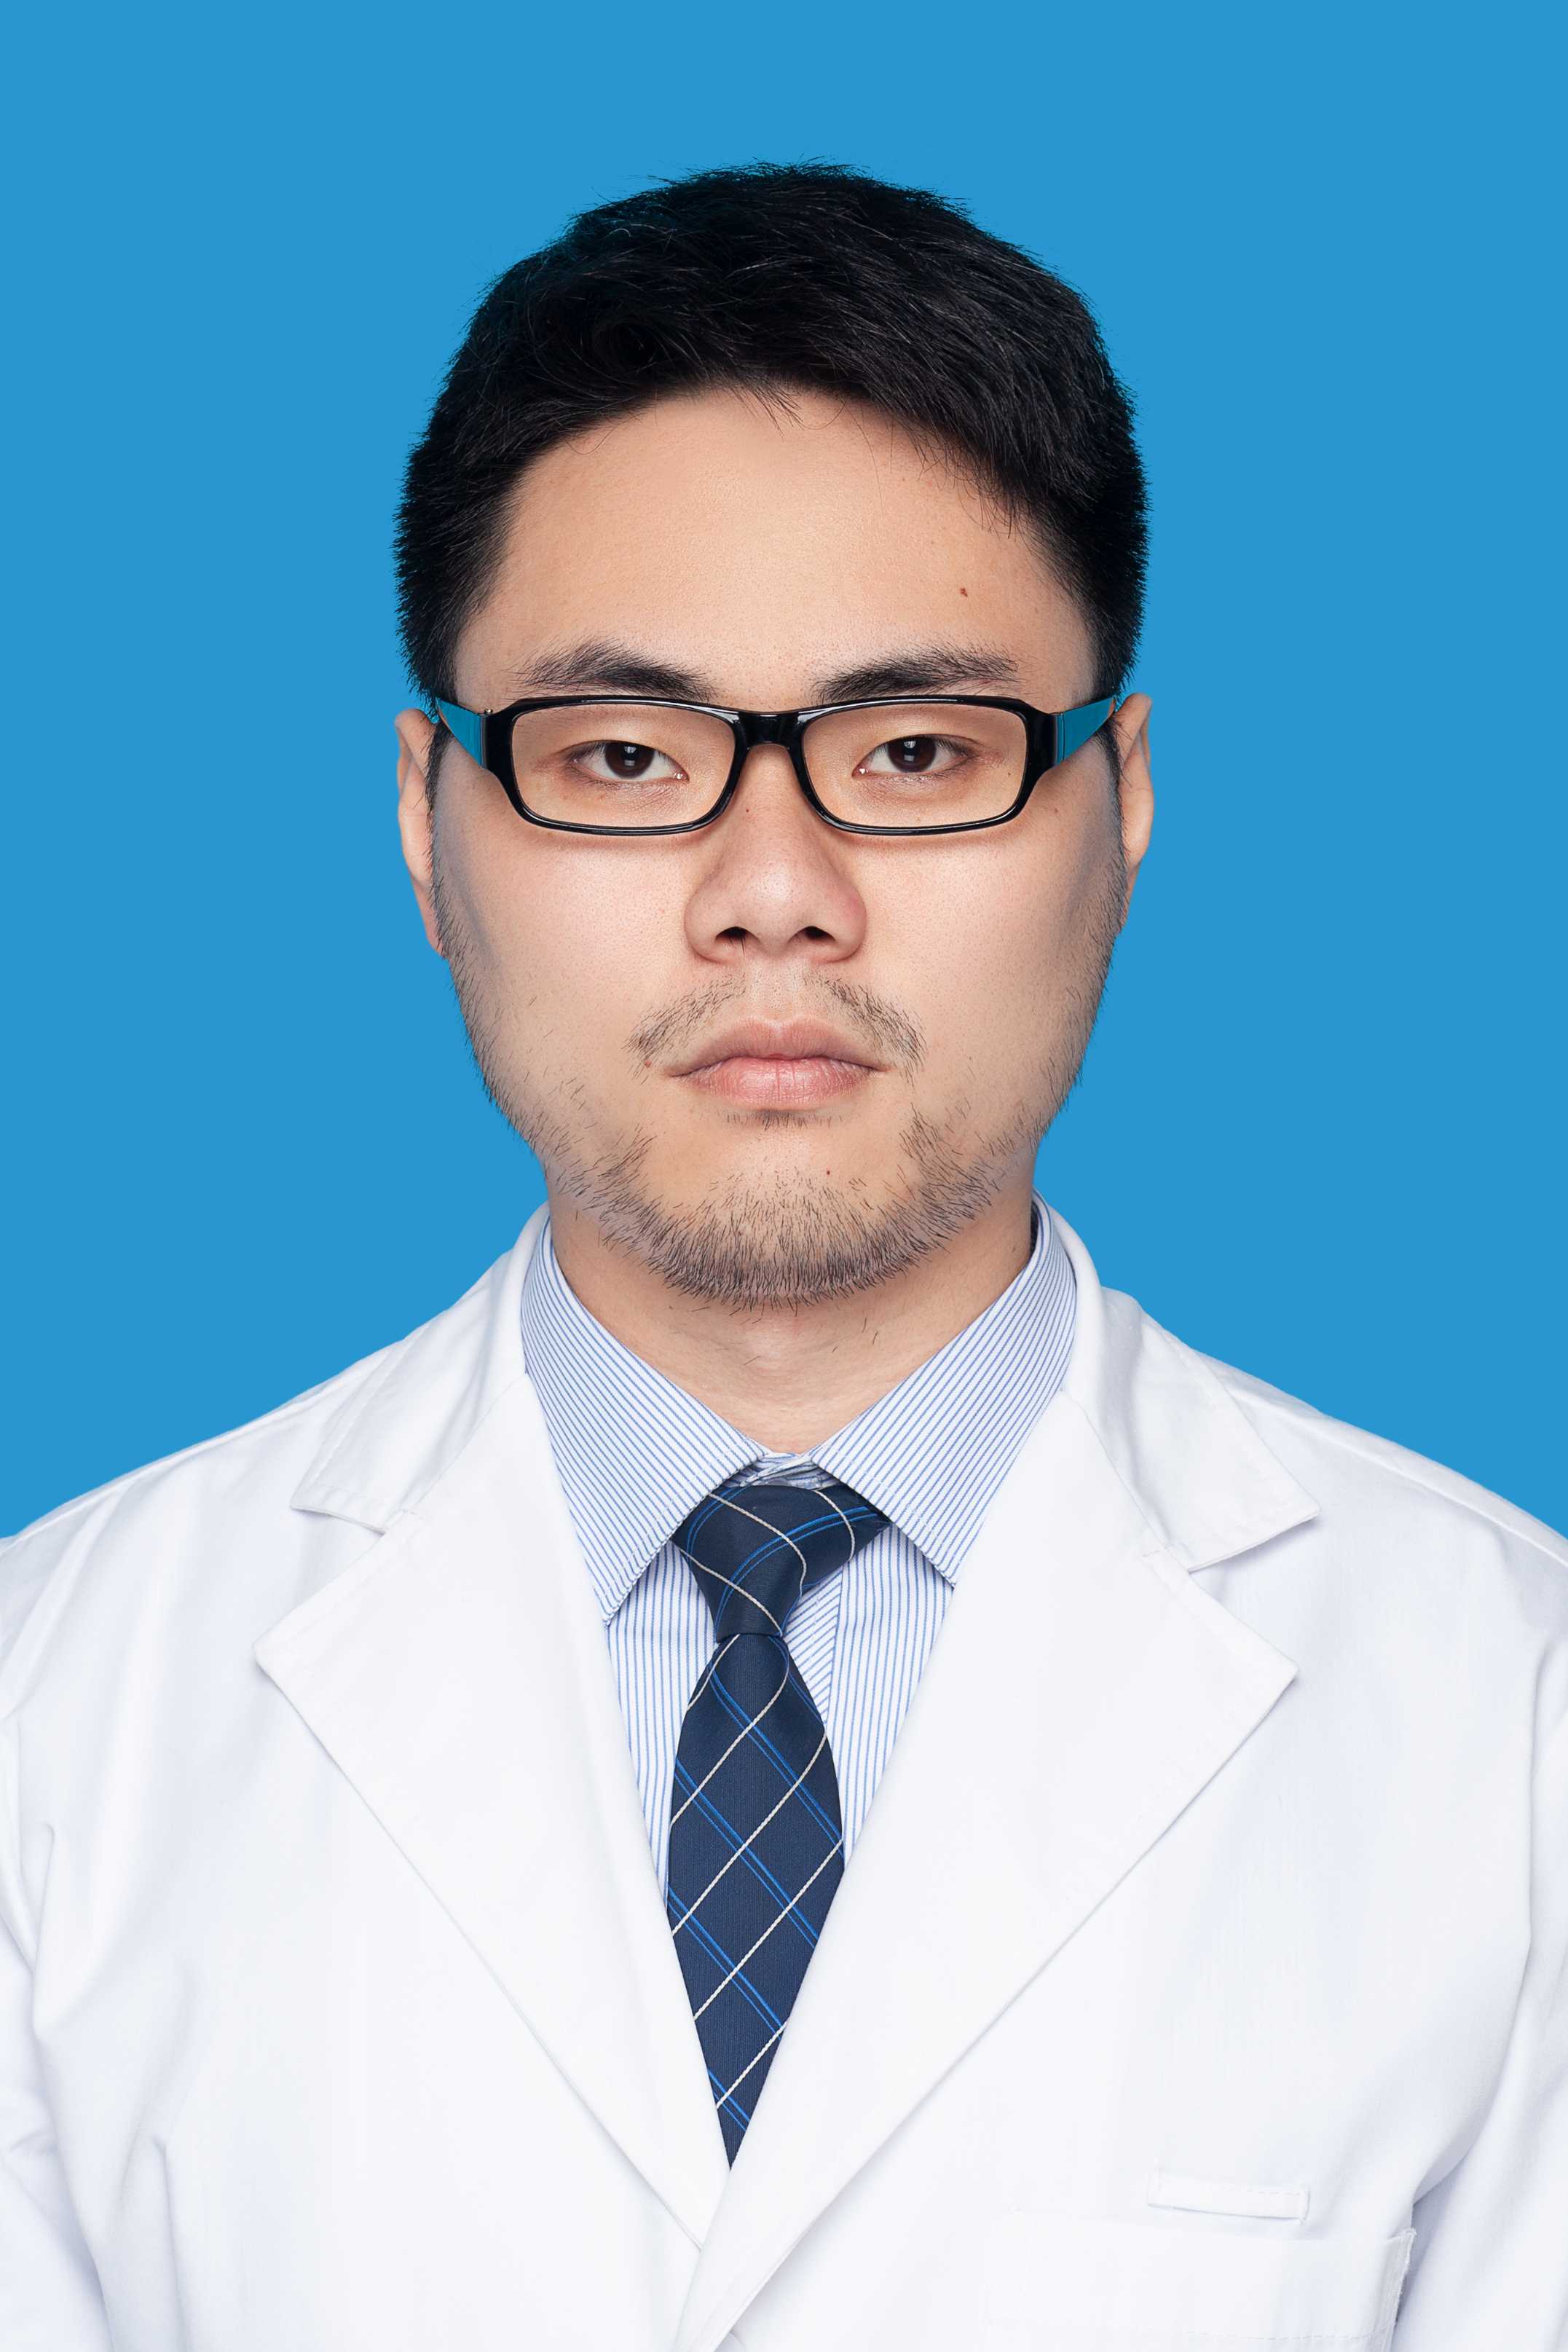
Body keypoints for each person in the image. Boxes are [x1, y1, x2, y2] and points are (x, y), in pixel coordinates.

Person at [1, 162, 1562, 2352]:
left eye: (914, 752)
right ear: (426, 824)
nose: (771, 890)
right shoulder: (55, 1708)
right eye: (621, 755)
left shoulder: (1508, 1714)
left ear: (1118, 798)